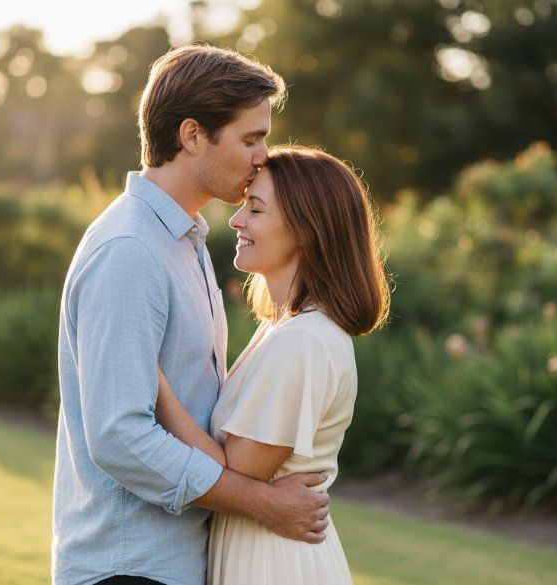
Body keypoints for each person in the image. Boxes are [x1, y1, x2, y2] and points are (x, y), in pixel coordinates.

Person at [52, 45, 331, 585]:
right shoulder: (129, 249)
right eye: (250, 138)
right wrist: (261, 502)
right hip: (130, 568)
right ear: (192, 135)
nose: (263, 156)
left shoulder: (185, 239)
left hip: (172, 566)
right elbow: (120, 435)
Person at [154, 145, 392, 584]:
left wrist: (152, 380)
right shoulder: (283, 330)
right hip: (260, 550)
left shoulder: (303, 340)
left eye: (256, 209)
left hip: (275, 563)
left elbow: (234, 473)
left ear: (306, 229)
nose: (236, 221)